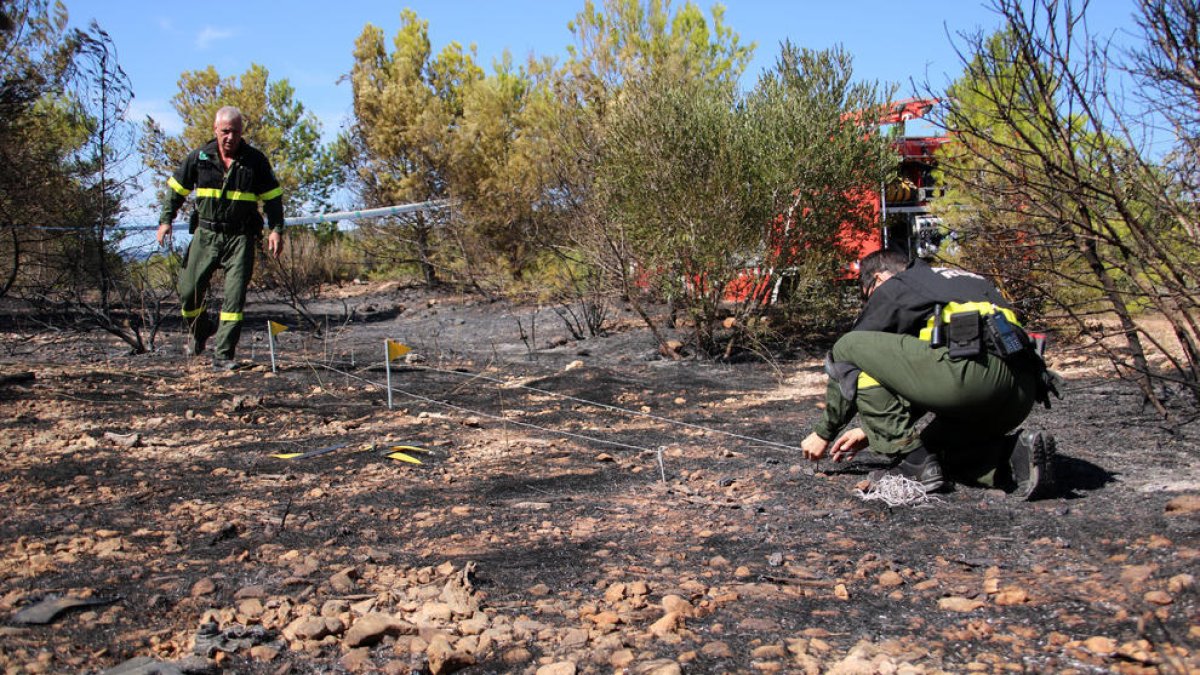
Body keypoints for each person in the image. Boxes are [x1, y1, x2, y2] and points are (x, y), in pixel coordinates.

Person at [799, 249, 1058, 500]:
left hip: (971, 380)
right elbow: (917, 374)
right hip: (1020, 394)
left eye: (867, 295)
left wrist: (824, 432)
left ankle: (915, 464)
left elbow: (849, 357)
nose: (869, 303)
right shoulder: (964, 280)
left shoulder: (898, 284)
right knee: (933, 454)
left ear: (878, 278)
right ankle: (1012, 456)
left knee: (849, 345)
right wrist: (870, 431)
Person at [156, 106, 284, 371]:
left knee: (233, 299)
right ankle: (201, 330)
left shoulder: (255, 161)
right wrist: (166, 221)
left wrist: (276, 229)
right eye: (225, 131)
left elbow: (273, 198)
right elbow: (176, 191)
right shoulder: (199, 158)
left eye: (235, 132)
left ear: (241, 133)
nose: (230, 137)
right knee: (188, 293)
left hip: (240, 238)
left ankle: (224, 356)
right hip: (206, 235)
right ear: (215, 130)